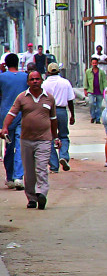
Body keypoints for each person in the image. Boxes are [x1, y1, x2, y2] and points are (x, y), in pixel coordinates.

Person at [0, 70, 60, 209]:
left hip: (44, 140)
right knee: (29, 171)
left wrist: (55, 136)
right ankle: (31, 198)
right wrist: (5, 127)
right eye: (32, 79)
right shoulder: (22, 97)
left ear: (42, 81)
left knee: (41, 168)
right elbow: (12, 113)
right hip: (26, 140)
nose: (35, 81)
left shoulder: (49, 98)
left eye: (37, 79)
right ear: (27, 82)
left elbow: (53, 119)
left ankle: (42, 193)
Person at [0, 53, 27, 190]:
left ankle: (10, 177)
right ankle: (18, 177)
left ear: (5, 64)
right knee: (20, 146)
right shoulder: (25, 77)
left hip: (6, 116)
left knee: (9, 147)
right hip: (22, 115)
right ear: (18, 63)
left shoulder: (1, 77)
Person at [42, 63, 75, 173]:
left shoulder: (45, 84)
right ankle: (63, 156)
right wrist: (72, 115)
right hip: (61, 110)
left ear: (48, 72)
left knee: (49, 138)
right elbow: (70, 100)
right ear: (59, 71)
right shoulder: (65, 83)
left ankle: (54, 165)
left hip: (48, 111)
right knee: (64, 135)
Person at [84, 57, 107, 124]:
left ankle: (97, 119)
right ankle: (93, 116)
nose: (94, 64)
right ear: (91, 63)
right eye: (93, 63)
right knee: (91, 103)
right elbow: (85, 81)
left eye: (95, 63)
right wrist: (85, 89)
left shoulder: (101, 72)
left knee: (99, 106)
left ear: (97, 63)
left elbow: (104, 81)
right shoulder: (88, 72)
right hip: (91, 91)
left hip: (99, 91)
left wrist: (105, 90)